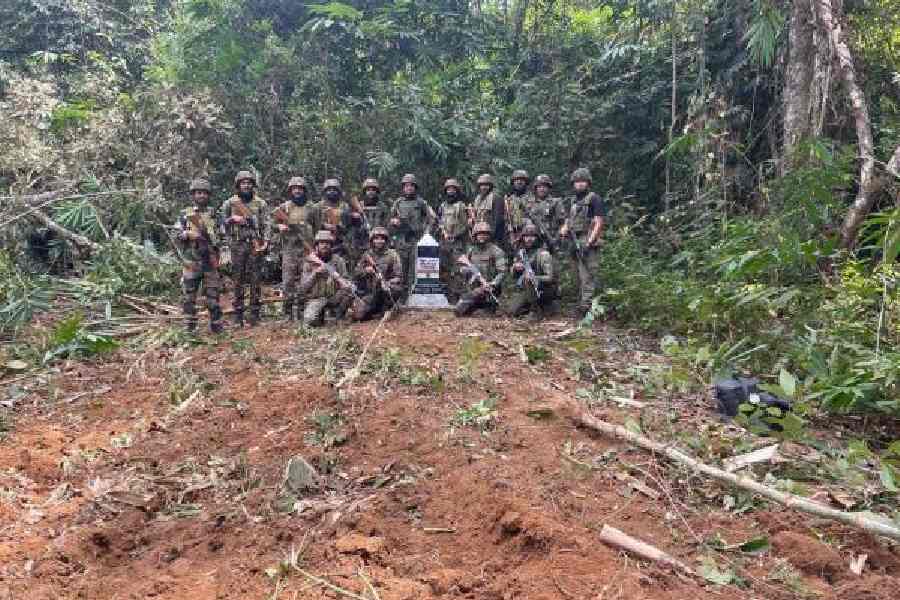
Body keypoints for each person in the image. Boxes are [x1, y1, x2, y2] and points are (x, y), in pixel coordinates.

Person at [175, 178, 223, 334]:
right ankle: (190, 327)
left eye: (204, 193)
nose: (201, 196)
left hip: (210, 260)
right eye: (198, 193)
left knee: (213, 298)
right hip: (191, 261)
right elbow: (176, 234)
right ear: (193, 195)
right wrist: (187, 235)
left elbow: (223, 236)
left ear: (208, 195)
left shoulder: (215, 214)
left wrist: (211, 240)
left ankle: (216, 326)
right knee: (189, 297)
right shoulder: (185, 214)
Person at [220, 170, 268, 327]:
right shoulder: (230, 203)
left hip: (255, 244)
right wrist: (231, 220)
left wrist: (266, 242)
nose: (246, 185)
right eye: (243, 183)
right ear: (238, 185)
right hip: (237, 244)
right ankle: (238, 314)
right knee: (238, 279)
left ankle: (254, 314)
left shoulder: (260, 203)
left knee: (256, 279)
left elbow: (266, 224)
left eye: (249, 183)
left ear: (253, 185)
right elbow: (221, 225)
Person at [559, 167, 606, 318]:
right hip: (574, 239)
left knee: (588, 275)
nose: (579, 185)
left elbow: (599, 222)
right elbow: (568, 220)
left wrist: (590, 242)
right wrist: (564, 230)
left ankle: (587, 307)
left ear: (588, 183)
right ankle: (580, 303)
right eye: (577, 182)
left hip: (588, 239)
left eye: (582, 182)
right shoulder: (573, 200)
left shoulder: (594, 198)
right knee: (576, 274)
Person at [272, 176, 315, 321]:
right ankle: (288, 313)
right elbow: (271, 224)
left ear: (304, 190)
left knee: (306, 280)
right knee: (288, 281)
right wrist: (279, 226)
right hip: (289, 249)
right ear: (290, 190)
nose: (297, 191)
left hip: (307, 249)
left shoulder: (312, 208)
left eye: (300, 188)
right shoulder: (284, 207)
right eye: (294, 188)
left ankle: (303, 311)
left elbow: (318, 227)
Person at [389, 173, 435, 292]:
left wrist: (426, 234)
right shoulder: (398, 203)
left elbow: (431, 219)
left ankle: (414, 294)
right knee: (401, 269)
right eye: (406, 186)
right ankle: (402, 295)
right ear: (403, 188)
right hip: (401, 240)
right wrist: (394, 222)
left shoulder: (421, 203)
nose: (409, 188)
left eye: (411, 186)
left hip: (416, 240)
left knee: (415, 270)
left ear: (415, 188)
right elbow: (390, 220)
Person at [501, 224, 557, 320]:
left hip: (544, 289)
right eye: (526, 236)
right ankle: (538, 308)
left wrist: (534, 277)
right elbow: (514, 276)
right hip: (528, 290)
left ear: (537, 238)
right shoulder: (521, 253)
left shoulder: (543, 254)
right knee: (511, 311)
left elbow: (550, 278)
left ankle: (536, 311)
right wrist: (515, 268)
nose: (529, 239)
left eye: (532, 236)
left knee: (529, 279)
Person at [299, 230, 354, 327]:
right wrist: (315, 274)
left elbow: (346, 281)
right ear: (317, 245)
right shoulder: (309, 262)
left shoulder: (338, 261)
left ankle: (337, 315)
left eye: (327, 243)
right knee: (309, 321)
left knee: (350, 290)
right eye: (322, 243)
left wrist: (339, 279)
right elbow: (303, 288)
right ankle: (322, 315)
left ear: (331, 245)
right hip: (317, 298)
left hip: (334, 297)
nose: (325, 245)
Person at [351, 227, 404, 321]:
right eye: (376, 238)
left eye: (382, 238)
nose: (379, 241)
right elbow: (356, 273)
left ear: (386, 240)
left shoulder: (392, 255)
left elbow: (399, 276)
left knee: (394, 289)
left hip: (386, 291)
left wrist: (387, 283)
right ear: (372, 240)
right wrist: (366, 271)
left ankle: (389, 308)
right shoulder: (367, 255)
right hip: (371, 293)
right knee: (358, 316)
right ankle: (375, 311)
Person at [455, 222, 507, 317]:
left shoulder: (496, 251)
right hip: (473, 288)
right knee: (459, 311)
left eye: (485, 234)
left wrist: (493, 284)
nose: (482, 236)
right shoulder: (471, 251)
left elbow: (502, 273)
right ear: (475, 235)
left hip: (490, 290)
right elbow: (461, 268)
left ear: (489, 235)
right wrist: (467, 270)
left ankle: (488, 308)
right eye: (479, 234)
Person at [436, 178, 470, 302]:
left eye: (453, 189)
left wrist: (455, 235)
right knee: (443, 269)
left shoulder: (461, 206)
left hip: (457, 243)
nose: (450, 191)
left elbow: (465, 225)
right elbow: (439, 222)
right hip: (443, 243)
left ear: (457, 191)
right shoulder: (442, 206)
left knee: (457, 271)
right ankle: (444, 296)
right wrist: (443, 232)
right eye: (448, 189)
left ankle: (456, 297)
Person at [349, 177, 390, 267]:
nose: (371, 192)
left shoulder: (382, 207)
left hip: (377, 242)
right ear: (365, 191)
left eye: (373, 190)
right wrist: (354, 216)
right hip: (361, 242)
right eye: (368, 190)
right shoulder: (358, 205)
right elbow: (349, 224)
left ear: (377, 192)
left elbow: (387, 225)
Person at [313, 178, 357, 259]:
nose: (332, 191)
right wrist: (323, 226)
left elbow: (348, 227)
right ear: (325, 191)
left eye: (334, 189)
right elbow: (311, 225)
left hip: (339, 245)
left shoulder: (345, 207)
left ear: (339, 192)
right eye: (329, 189)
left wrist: (337, 227)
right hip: (321, 246)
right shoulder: (317, 207)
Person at [527, 174, 564, 252]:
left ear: (548, 188)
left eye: (544, 186)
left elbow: (562, 223)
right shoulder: (530, 204)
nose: (542, 189)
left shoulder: (556, 202)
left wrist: (556, 239)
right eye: (539, 187)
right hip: (534, 241)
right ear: (536, 189)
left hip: (552, 238)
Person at [470, 173, 505, 246]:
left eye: (486, 185)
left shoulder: (496, 198)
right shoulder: (477, 199)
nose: (484, 187)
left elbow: (498, 220)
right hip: (479, 235)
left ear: (490, 186)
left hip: (492, 236)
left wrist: (492, 237)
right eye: (482, 185)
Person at [504, 169, 533, 252]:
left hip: (529, 236)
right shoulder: (508, 200)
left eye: (522, 180)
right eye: (516, 180)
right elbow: (506, 219)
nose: (519, 182)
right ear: (513, 182)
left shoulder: (533, 198)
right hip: (513, 234)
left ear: (526, 182)